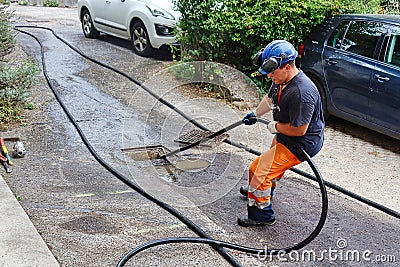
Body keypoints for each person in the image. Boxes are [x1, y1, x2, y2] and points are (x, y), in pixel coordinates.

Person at [238, 40, 325, 227]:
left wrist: (276, 127)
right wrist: (255, 114)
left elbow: (300, 129)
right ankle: (263, 188)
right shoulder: (280, 80)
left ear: (287, 67)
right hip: (286, 133)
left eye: (272, 72)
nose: (269, 76)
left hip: (301, 142)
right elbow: (270, 99)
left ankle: (261, 215)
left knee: (258, 170)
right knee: (269, 169)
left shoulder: (302, 93)